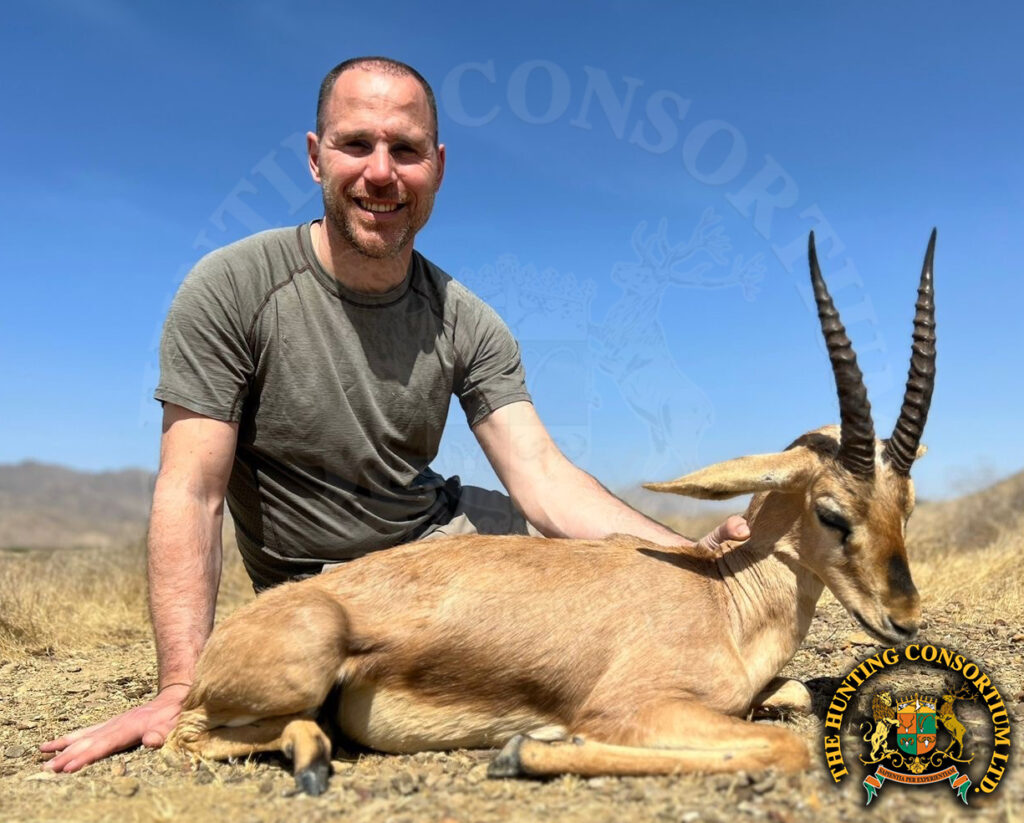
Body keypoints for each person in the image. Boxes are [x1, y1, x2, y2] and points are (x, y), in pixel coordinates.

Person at [41, 57, 748, 773]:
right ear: (316, 157)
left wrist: (698, 557)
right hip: (335, 586)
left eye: (405, 150)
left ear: (436, 167)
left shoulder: (468, 320)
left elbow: (542, 478)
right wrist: (182, 690)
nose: (382, 172)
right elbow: (193, 491)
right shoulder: (232, 288)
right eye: (356, 144)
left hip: (450, 548)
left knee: (609, 588)